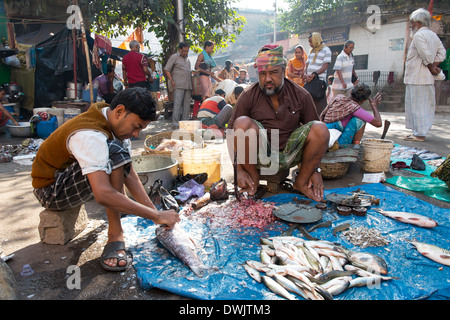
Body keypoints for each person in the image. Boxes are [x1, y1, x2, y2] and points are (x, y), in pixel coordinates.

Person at [31, 88, 180, 272]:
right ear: (119, 111)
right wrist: (156, 216)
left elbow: (129, 172)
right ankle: (115, 235)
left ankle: (118, 229)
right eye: (136, 127)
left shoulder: (109, 118)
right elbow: (102, 194)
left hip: (66, 179)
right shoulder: (90, 134)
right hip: (51, 190)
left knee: (117, 152)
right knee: (114, 151)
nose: (136, 135)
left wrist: (153, 211)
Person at [228, 44, 329, 202]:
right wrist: (239, 170)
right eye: (263, 74)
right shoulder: (248, 95)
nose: (268, 79)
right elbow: (233, 134)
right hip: (260, 156)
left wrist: (316, 171)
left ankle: (301, 182)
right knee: (241, 124)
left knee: (320, 129)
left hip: (291, 154)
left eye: (274, 72)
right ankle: (253, 180)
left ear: (284, 71)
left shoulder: (301, 95)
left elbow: (317, 135)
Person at [403, 8, 446, 142]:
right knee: (423, 106)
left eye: (412, 22)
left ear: (418, 22)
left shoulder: (419, 35)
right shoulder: (433, 35)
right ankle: (418, 132)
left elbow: (425, 54)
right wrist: (434, 67)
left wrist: (431, 67)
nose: (410, 25)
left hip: (417, 77)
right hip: (424, 78)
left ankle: (419, 135)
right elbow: (442, 53)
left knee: (418, 107)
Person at [164, 42, 192, 128]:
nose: (185, 53)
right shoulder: (174, 57)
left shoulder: (187, 59)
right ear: (179, 50)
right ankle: (175, 123)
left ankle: (184, 122)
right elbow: (166, 69)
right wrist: (171, 80)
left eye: (187, 51)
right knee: (177, 104)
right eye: (184, 51)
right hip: (178, 84)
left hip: (188, 85)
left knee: (187, 104)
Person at [304, 32, 332, 115]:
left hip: (319, 82)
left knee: (320, 105)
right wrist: (306, 75)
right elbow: (307, 65)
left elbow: (325, 66)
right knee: (308, 104)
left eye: (311, 41)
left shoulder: (326, 50)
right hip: (309, 81)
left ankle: (321, 123)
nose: (310, 44)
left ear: (316, 40)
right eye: (309, 42)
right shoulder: (311, 51)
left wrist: (314, 74)